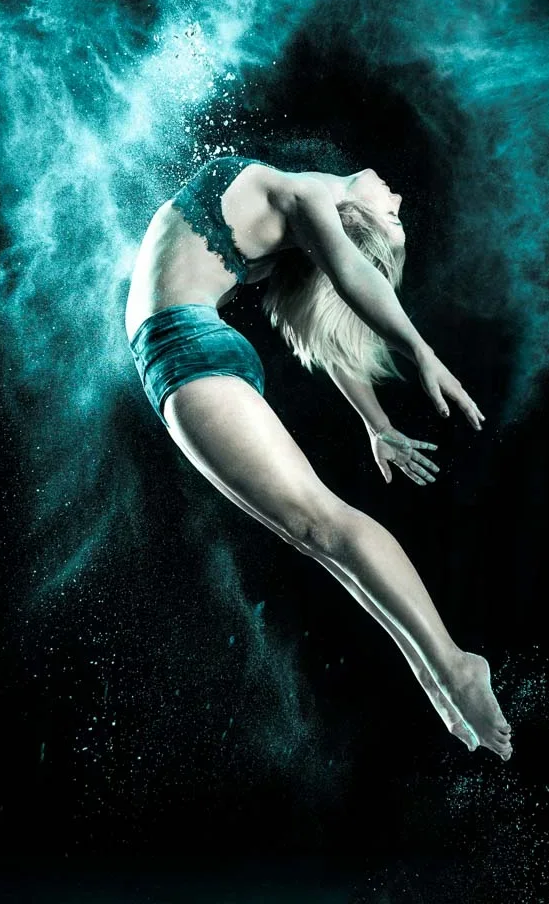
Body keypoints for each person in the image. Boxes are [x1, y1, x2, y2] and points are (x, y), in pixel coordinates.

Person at [125, 156, 512, 759]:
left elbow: (355, 278)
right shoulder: (293, 211)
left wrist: (419, 350)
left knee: (321, 523)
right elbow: (323, 326)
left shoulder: (303, 193)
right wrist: (376, 423)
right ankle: (433, 675)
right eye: (397, 215)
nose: (400, 199)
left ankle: (456, 666)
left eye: (392, 218)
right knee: (315, 537)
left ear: (353, 218)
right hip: (182, 354)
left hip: (185, 349)